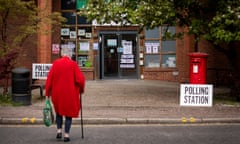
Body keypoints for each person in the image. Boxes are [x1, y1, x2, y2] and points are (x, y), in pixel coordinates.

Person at [45, 47, 85, 142]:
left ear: (62, 54)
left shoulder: (55, 64)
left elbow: (49, 79)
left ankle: (59, 131)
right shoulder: (73, 64)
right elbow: (80, 80)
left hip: (57, 94)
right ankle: (66, 135)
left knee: (59, 112)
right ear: (70, 54)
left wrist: (47, 93)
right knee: (68, 114)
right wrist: (81, 90)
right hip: (69, 94)